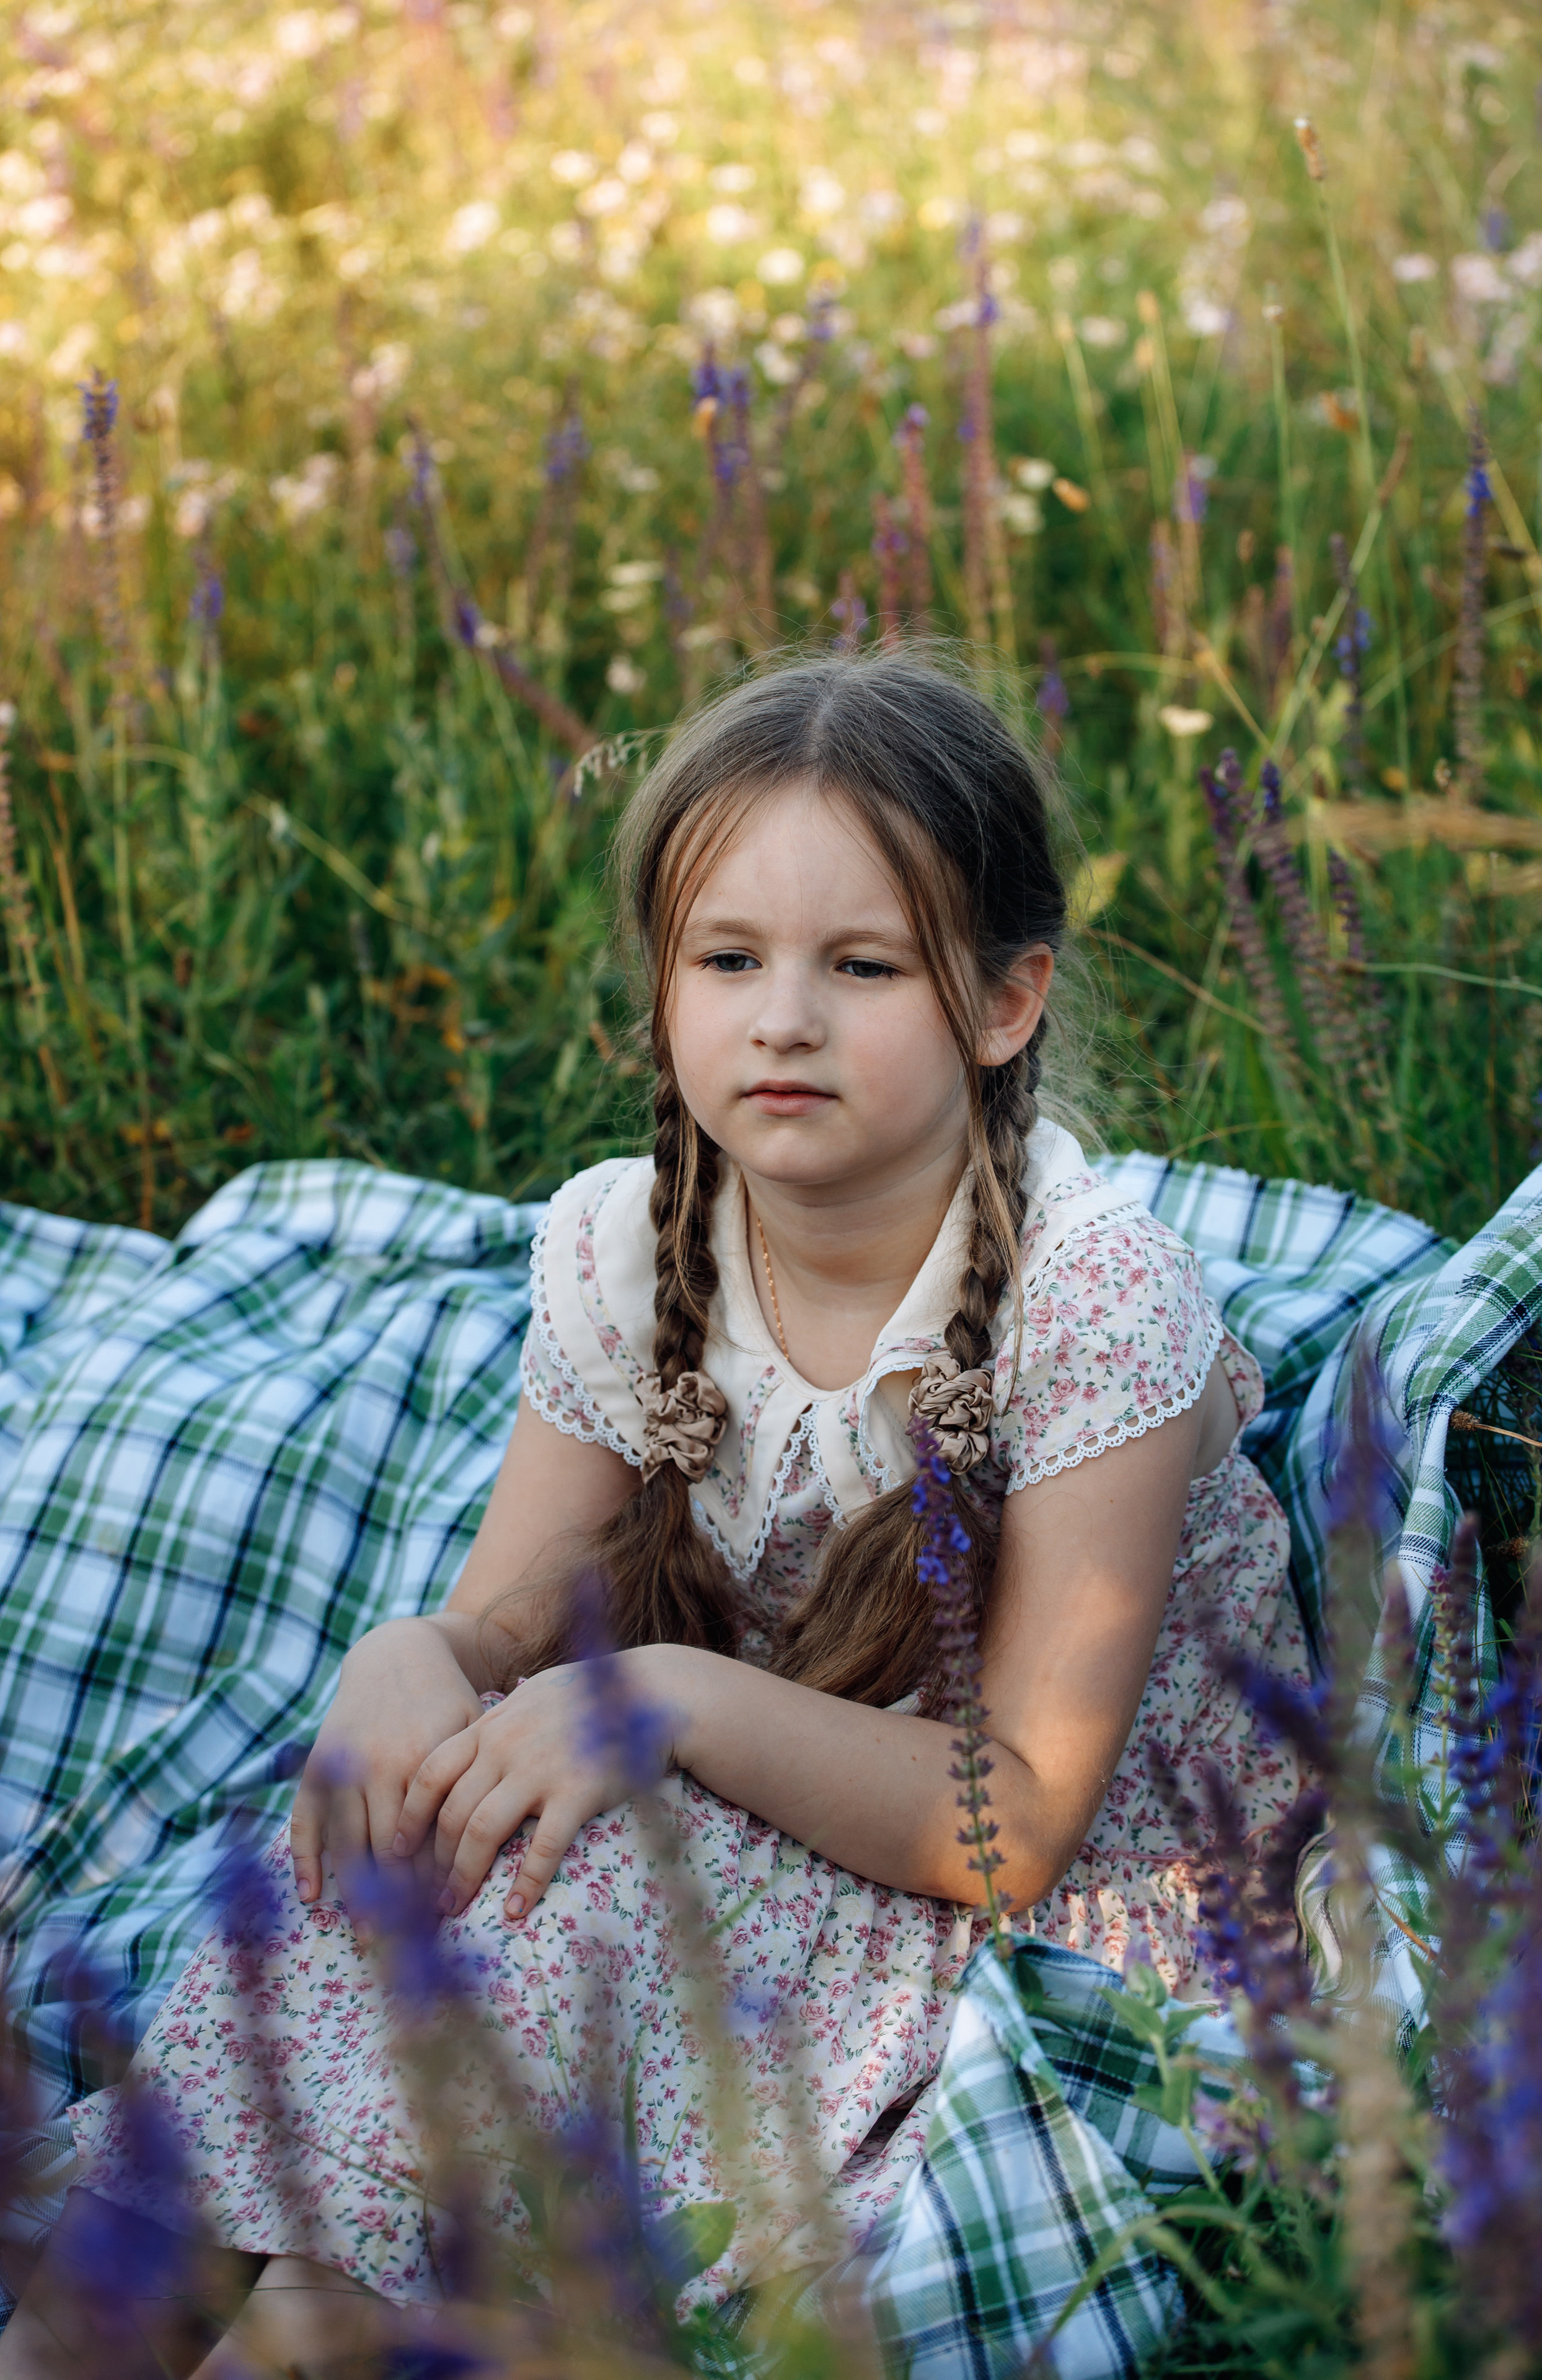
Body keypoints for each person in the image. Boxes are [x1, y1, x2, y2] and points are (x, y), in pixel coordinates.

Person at [1, 649, 1310, 2376]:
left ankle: (356, 2300)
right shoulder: (633, 1248)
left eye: (862, 965)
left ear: (1005, 1005)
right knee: (390, 1866)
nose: (784, 1018)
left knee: (517, 1994)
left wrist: (664, 1701)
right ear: (661, 997)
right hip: (745, 1777)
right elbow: (524, 1604)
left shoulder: (1091, 1298)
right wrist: (419, 1652)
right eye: (729, 961)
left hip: (1009, 1867)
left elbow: (1010, 1830)